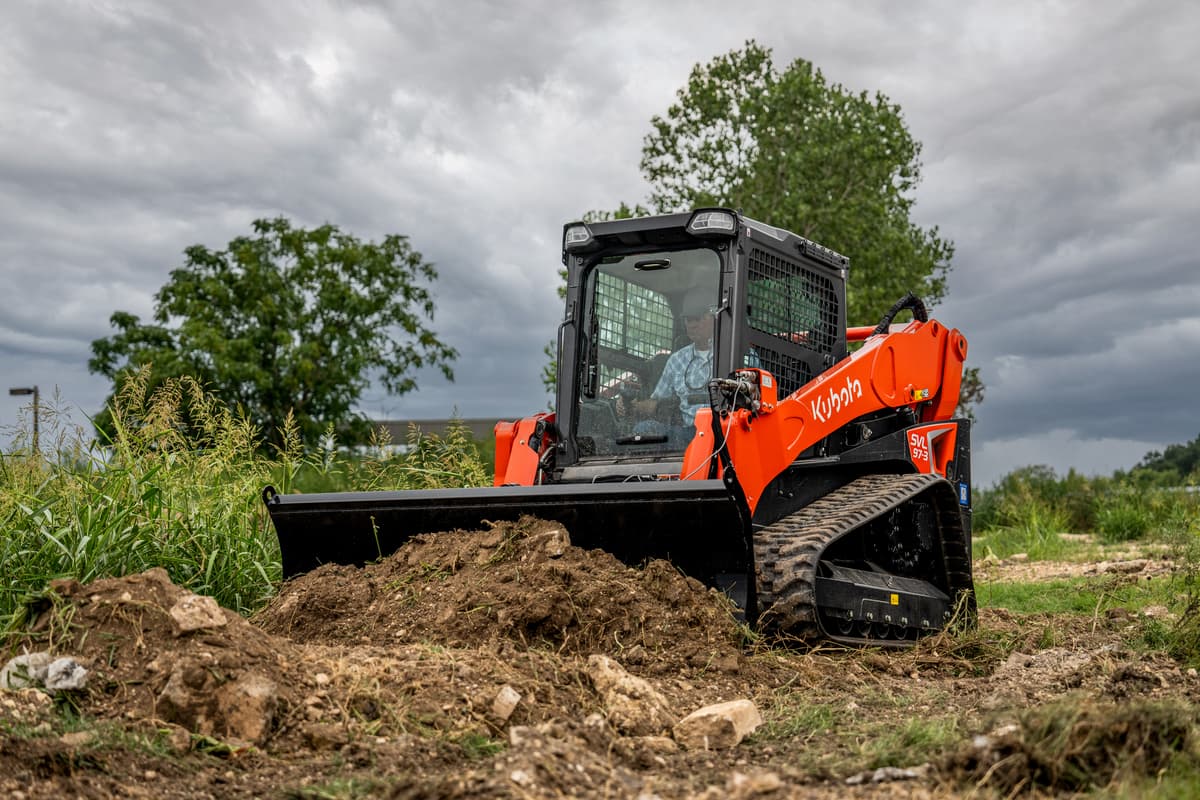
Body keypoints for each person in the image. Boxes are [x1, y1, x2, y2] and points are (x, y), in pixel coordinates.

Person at [629, 288, 718, 439]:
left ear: (714, 317)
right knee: (644, 429)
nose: (692, 325)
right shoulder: (677, 360)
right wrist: (631, 404)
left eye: (698, 318)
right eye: (688, 320)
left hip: (725, 430)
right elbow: (655, 402)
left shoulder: (735, 353)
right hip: (689, 434)